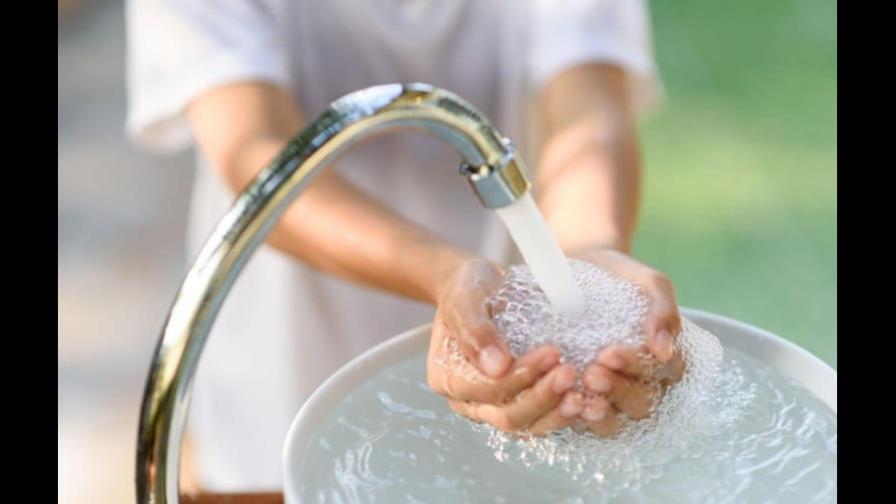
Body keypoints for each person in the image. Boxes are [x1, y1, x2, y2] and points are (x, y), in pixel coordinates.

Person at [127, 0, 684, 493]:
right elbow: (257, 155)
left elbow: (586, 110)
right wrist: (443, 273)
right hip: (281, 380)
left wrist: (588, 255)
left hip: (501, 377)